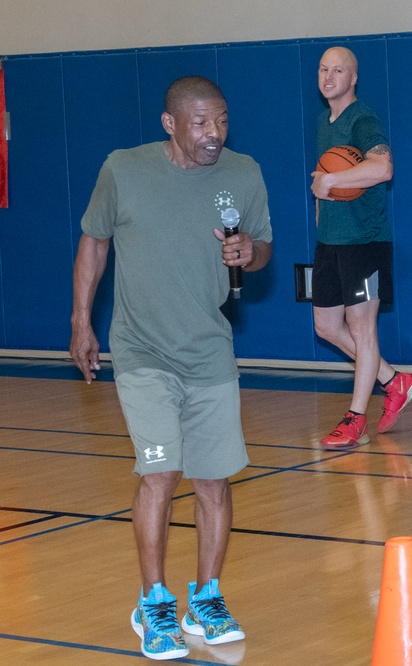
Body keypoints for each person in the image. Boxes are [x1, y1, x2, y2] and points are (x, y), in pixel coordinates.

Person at [70, 76, 273, 661]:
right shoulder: (123, 170)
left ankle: (205, 599)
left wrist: (248, 255)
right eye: (202, 123)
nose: (215, 134)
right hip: (142, 351)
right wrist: (81, 321)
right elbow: (94, 242)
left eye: (223, 121)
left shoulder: (244, 173)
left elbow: (261, 246)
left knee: (213, 478)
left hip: (209, 348)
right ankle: (153, 603)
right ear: (171, 124)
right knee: (161, 473)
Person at [310, 46, 412, 450]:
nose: (328, 77)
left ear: (353, 78)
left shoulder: (363, 119)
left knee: (361, 326)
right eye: (323, 69)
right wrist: (323, 203)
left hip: (365, 243)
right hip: (331, 242)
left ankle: (355, 419)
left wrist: (330, 183)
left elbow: (383, 167)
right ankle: (394, 380)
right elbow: (327, 172)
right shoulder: (324, 121)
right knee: (325, 326)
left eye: (337, 71)